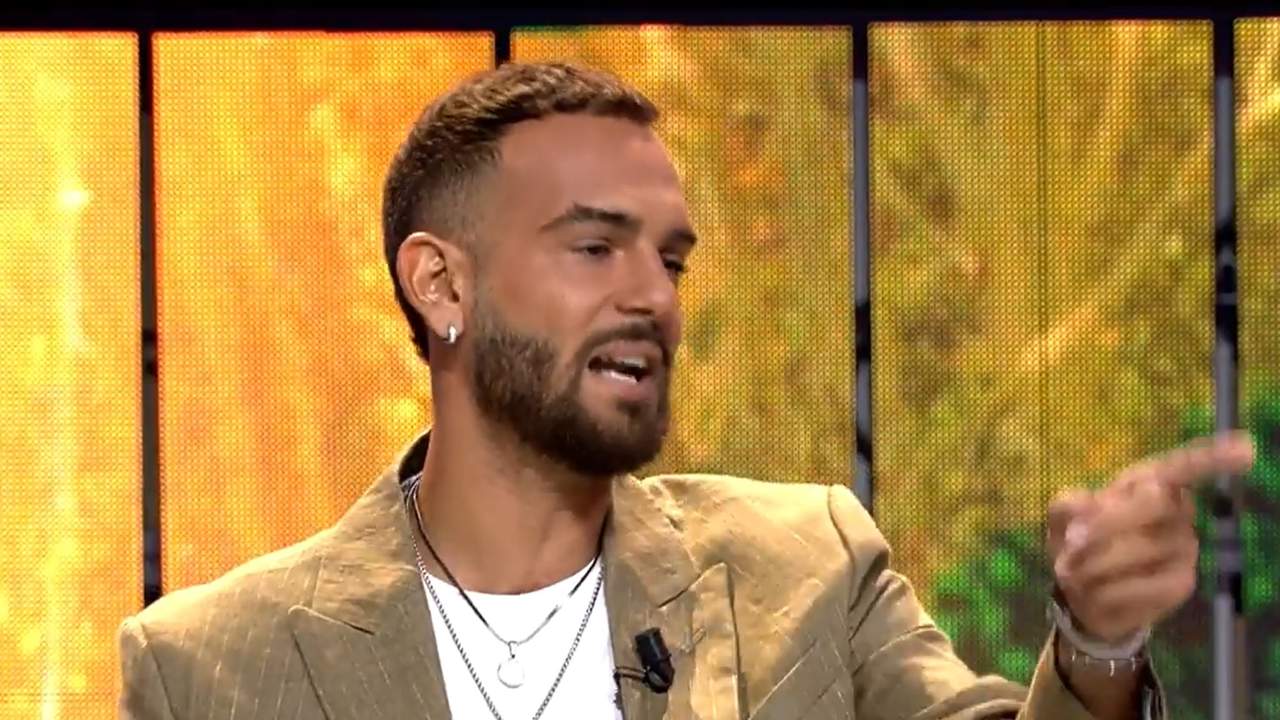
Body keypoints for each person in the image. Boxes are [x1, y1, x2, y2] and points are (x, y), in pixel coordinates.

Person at [118, 61, 1255, 720]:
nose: (652, 297)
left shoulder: (805, 567)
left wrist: (1098, 642)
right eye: (594, 247)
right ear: (440, 283)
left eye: (669, 260)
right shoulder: (209, 665)